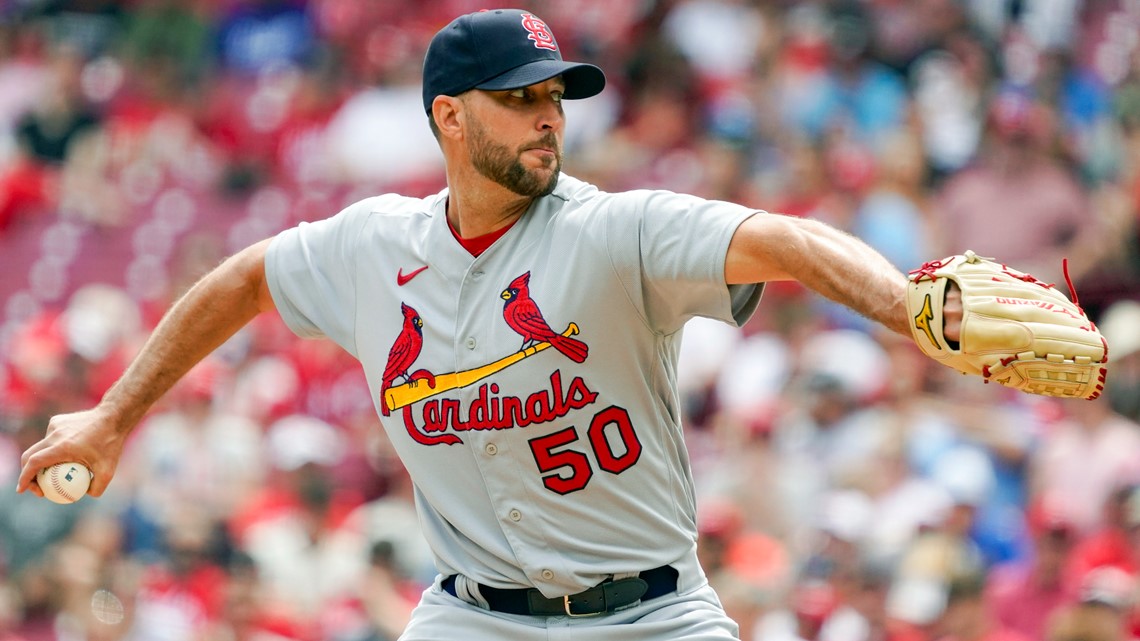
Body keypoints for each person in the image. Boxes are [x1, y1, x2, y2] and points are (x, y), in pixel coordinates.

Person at [18, 9, 966, 640]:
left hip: (651, 614)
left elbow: (789, 240)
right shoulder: (372, 246)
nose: (547, 117)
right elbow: (243, 279)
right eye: (519, 99)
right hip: (474, 616)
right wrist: (113, 416)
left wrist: (909, 306)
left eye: (554, 96)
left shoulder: (615, 231)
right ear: (449, 119)